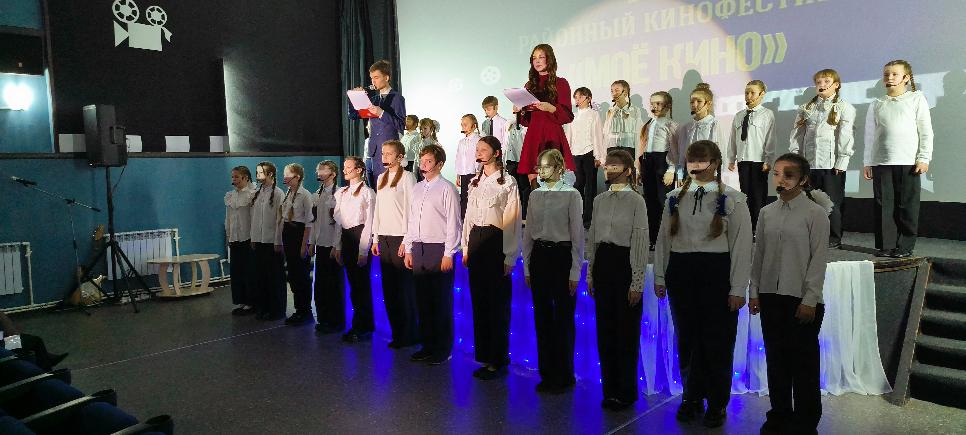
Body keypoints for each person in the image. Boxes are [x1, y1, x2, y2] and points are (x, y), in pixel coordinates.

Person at [654, 140, 753, 428]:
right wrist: (660, 275)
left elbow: (742, 245)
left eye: (702, 160)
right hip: (682, 270)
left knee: (717, 339)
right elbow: (663, 239)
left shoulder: (733, 199)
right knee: (687, 337)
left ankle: (717, 403)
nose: (696, 166)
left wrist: (738, 288)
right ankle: (692, 397)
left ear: (716, 163)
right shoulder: (674, 197)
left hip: (716, 272)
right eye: (692, 161)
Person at [750, 152, 832, 435]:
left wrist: (810, 299)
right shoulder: (766, 212)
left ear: (803, 180)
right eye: (777, 174)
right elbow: (759, 255)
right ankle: (779, 414)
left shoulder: (815, 214)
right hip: (771, 296)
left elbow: (818, 260)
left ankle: (806, 422)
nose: (780, 180)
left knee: (803, 365)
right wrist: (755, 291)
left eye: (788, 175)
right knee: (776, 361)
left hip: (800, 299)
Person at [586, 149, 648, 411]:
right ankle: (609, 389)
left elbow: (640, 240)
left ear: (627, 170)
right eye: (607, 165)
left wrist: (637, 281)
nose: (609, 169)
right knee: (606, 330)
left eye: (615, 165)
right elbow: (593, 237)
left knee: (626, 331)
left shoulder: (636, 201)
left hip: (624, 263)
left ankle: (626, 391)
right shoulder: (599, 200)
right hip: (603, 262)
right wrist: (590, 272)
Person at [523, 148, 584, 394]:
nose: (541, 170)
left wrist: (575, 271)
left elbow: (577, 236)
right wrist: (527, 266)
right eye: (539, 166)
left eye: (546, 166)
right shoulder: (535, 195)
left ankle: (564, 374)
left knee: (563, 318)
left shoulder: (572, 195)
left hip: (561, 256)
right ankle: (547, 373)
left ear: (559, 168)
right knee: (543, 317)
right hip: (540, 256)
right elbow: (528, 233)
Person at [462, 136, 522, 380]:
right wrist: (466, 247)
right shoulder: (474, 181)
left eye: (484, 149)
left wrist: (510, 255)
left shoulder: (507, 181)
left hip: (496, 241)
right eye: (477, 149)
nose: (479, 152)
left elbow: (512, 218)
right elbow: (468, 216)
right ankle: (485, 356)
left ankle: (498, 359)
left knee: (497, 303)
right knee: (480, 301)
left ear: (496, 153)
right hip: (477, 240)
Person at [864, 60, 933, 258]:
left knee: (906, 205)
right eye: (886, 74)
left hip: (908, 161)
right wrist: (868, 162)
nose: (890, 77)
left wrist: (924, 157)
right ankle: (886, 244)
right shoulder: (877, 104)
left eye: (895, 74)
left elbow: (925, 131)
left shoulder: (916, 99)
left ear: (906, 78)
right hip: (882, 161)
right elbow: (870, 136)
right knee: (883, 205)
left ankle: (905, 245)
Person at [404, 144, 463, 365]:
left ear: (439, 164)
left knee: (440, 301)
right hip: (419, 247)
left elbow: (454, 223)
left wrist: (449, 253)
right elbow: (411, 220)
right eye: (422, 161)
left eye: (428, 161)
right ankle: (427, 345)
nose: (423, 165)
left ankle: (442, 348)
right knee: (423, 300)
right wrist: (408, 248)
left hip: (438, 248)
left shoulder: (447, 188)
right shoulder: (417, 188)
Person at [790, 69, 856, 248]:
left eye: (826, 81)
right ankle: (811, 235)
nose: (822, 85)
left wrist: (842, 160)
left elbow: (846, 136)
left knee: (831, 203)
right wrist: (796, 159)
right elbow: (796, 135)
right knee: (810, 201)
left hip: (831, 164)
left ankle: (833, 237)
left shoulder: (844, 107)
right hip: (809, 163)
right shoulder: (806, 108)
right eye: (818, 82)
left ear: (836, 85)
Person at [373, 140, 420, 348]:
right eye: (383, 153)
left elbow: (411, 210)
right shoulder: (381, 178)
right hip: (384, 237)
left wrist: (407, 240)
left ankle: (410, 334)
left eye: (389, 153)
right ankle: (397, 333)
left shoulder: (408, 177)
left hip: (400, 237)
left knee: (403, 288)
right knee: (390, 288)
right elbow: (378, 210)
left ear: (399, 156)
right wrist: (375, 237)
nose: (384, 157)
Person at [517, 43, 576, 185]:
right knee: (534, 182)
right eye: (534, 58)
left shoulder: (560, 83)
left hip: (552, 134)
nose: (537, 61)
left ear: (549, 59)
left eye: (541, 57)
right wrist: (521, 110)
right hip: (533, 135)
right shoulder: (529, 86)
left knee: (553, 179)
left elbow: (568, 116)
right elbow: (526, 121)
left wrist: (551, 108)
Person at [334, 157, 376, 342]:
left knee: (361, 286)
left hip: (359, 238)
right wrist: (337, 246)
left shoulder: (367, 193)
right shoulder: (342, 192)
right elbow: (339, 222)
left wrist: (363, 250)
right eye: (344, 167)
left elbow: (369, 223)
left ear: (359, 170)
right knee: (353, 286)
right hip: (346, 238)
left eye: (349, 167)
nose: (345, 170)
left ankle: (364, 326)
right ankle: (358, 324)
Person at [348, 60, 406, 185]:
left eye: (376, 77)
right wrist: (355, 97)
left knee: (387, 186)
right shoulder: (373, 100)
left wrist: (382, 113)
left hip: (389, 152)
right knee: (375, 188)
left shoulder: (397, 98)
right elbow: (353, 115)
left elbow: (401, 125)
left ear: (386, 78)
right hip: (373, 152)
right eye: (371, 78)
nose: (373, 81)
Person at [729, 80, 777, 232]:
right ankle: (748, 226)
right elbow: (733, 139)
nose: (748, 96)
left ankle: (759, 227)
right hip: (743, 160)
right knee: (745, 194)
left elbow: (770, 139)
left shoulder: (767, 114)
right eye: (746, 93)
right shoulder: (739, 115)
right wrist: (731, 158)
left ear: (762, 94)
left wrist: (768, 159)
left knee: (758, 195)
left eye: (752, 93)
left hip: (759, 160)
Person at [637, 91, 679, 248]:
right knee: (650, 201)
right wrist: (639, 169)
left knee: (664, 201)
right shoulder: (649, 124)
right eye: (652, 103)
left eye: (659, 103)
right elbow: (643, 147)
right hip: (648, 162)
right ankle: (653, 238)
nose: (654, 107)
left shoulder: (671, 125)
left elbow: (676, 150)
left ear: (668, 106)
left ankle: (666, 238)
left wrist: (671, 170)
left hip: (663, 162)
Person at [249, 161, 286, 321]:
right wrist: (253, 237)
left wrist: (278, 241)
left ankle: (277, 310)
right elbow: (254, 218)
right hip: (260, 241)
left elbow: (280, 219)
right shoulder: (257, 193)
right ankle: (263, 307)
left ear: (270, 174)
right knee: (261, 276)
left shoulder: (278, 193)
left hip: (272, 242)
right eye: (257, 172)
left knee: (274, 277)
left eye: (261, 172)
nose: (257, 175)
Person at [279, 163, 315, 325]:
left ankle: (305, 311)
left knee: (301, 275)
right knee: (293, 274)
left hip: (299, 234)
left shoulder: (305, 195)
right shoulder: (288, 193)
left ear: (297, 177)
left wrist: (304, 244)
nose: (285, 178)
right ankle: (298, 309)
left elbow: (309, 222)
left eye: (288, 175)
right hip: (289, 233)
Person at [311, 161, 344, 334]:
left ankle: (335, 320)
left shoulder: (339, 193)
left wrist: (337, 245)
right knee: (321, 285)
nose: (319, 172)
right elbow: (314, 221)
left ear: (333, 173)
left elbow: (339, 223)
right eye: (319, 169)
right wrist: (311, 242)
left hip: (332, 245)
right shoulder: (317, 194)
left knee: (333, 285)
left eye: (323, 170)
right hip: (320, 244)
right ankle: (323, 317)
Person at [565, 87, 605, 228]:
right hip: (575, 153)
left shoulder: (594, 114)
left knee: (590, 186)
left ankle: (589, 219)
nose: (578, 100)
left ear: (588, 98)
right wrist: (567, 156)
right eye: (576, 97)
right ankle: (577, 216)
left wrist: (598, 156)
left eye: (580, 97)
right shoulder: (573, 116)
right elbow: (569, 137)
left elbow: (597, 135)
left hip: (589, 153)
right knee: (578, 185)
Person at [672, 83, 723, 184]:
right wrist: (680, 174)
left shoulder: (714, 124)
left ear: (708, 104)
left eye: (699, 101)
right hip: (689, 171)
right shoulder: (686, 127)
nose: (694, 105)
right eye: (692, 102)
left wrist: (717, 174)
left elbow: (719, 151)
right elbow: (682, 153)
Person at [225, 165, 257, 315]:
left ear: (246, 177)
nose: (234, 180)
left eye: (237, 177)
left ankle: (251, 302)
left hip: (248, 238)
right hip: (235, 238)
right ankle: (241, 300)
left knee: (248, 271)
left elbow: (254, 218)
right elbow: (228, 218)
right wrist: (228, 235)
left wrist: (254, 237)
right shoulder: (231, 195)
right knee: (237, 271)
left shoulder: (252, 194)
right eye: (233, 177)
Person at [602, 80, 644, 155]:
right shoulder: (610, 111)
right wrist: (604, 155)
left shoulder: (635, 110)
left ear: (625, 92)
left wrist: (638, 155)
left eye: (617, 90)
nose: (614, 94)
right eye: (612, 91)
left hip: (629, 149)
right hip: (612, 149)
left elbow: (639, 133)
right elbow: (606, 134)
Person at [455, 114, 482, 219]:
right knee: (464, 196)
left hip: (473, 173)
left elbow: (478, 156)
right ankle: (463, 218)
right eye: (462, 125)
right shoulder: (461, 142)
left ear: (474, 126)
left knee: (473, 196)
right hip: (463, 173)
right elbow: (458, 158)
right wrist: (458, 175)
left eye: (466, 125)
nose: (463, 127)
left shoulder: (478, 140)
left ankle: (474, 218)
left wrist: (478, 172)